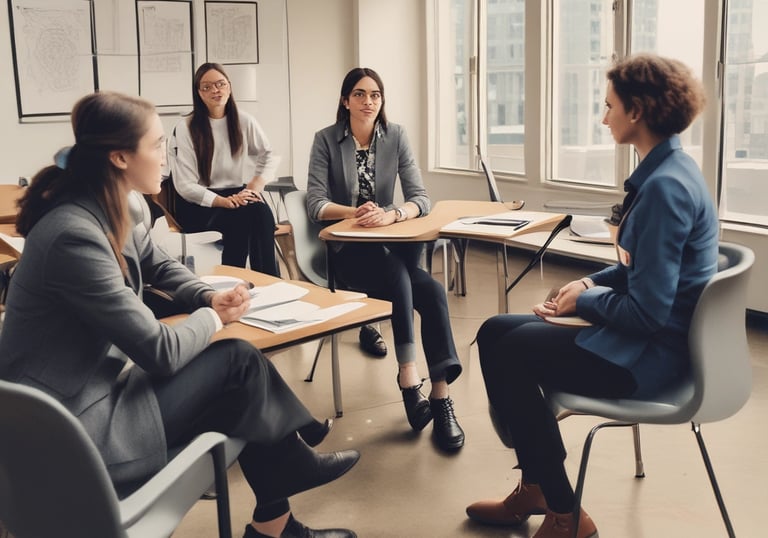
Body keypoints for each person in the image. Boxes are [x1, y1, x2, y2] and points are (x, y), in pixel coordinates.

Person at [0, 91, 360, 538]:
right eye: (156, 147)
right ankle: (290, 478)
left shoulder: (113, 204)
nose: (166, 160)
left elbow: (159, 265)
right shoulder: (74, 235)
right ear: (118, 157)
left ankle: (278, 519)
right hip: (73, 432)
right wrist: (215, 319)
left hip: (95, 393)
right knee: (238, 364)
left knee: (240, 376)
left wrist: (207, 298)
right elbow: (160, 352)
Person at [465, 53, 717, 538]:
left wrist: (583, 302)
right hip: (649, 342)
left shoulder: (665, 189)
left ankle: (563, 511)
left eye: (609, 107)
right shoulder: (671, 172)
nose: (603, 118)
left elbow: (645, 313)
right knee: (494, 330)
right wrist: (588, 283)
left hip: (649, 358)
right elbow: (638, 269)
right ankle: (538, 483)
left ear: (636, 112)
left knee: (512, 352)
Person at [306, 67, 465, 452]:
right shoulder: (326, 140)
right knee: (403, 275)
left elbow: (421, 198)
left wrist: (394, 215)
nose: (368, 102)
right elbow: (314, 203)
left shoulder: (396, 137)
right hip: (345, 251)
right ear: (345, 100)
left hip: (390, 241)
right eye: (359, 94)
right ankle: (410, 379)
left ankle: (440, 398)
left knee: (431, 290)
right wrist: (354, 212)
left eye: (375, 95)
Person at [169, 62, 279, 276]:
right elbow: (185, 185)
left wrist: (254, 187)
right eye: (207, 86)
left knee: (261, 212)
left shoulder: (244, 121)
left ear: (229, 86)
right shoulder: (186, 127)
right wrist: (223, 202)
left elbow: (268, 155)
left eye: (220, 84)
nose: (215, 90)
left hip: (236, 195)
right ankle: (233, 282)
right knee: (243, 217)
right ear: (198, 93)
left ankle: (267, 280)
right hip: (198, 203)